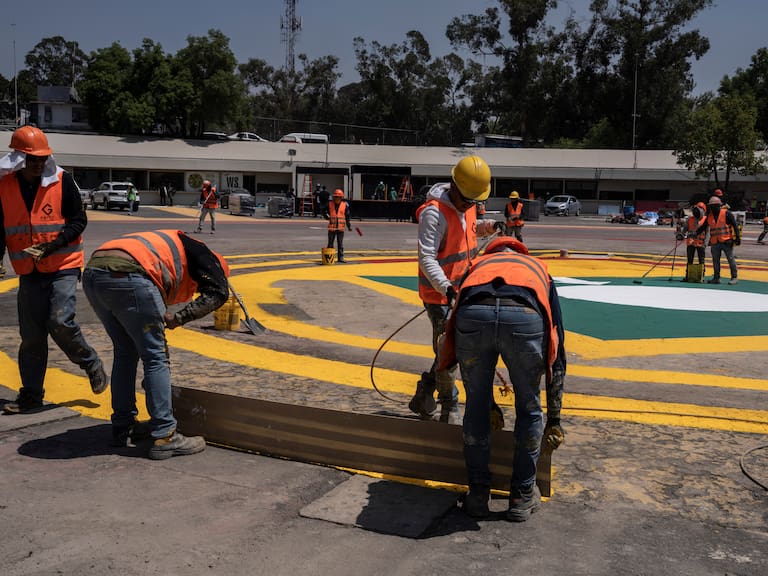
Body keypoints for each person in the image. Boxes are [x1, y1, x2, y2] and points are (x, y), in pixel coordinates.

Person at [438, 236, 566, 521]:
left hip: (473, 314)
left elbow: (453, 316)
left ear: (492, 252)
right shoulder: (536, 267)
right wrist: (555, 418)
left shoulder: (476, 264)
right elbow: (558, 348)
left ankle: (478, 495)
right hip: (524, 316)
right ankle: (521, 496)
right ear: (520, 252)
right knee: (529, 408)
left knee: (476, 406)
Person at [82, 229, 230, 457]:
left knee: (125, 352)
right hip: (130, 275)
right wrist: (180, 317)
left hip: (94, 274)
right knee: (156, 357)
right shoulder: (204, 256)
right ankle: (165, 435)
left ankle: (123, 426)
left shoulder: (177, 245)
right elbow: (218, 293)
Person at [0, 126, 108, 414]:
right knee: (32, 336)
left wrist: (55, 243)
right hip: (28, 269)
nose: (38, 164)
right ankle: (31, 396)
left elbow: (78, 220)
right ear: (17, 158)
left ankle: (90, 361)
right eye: (31, 159)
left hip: (63, 265)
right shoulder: (5, 186)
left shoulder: (62, 181)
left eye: (41, 158)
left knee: (60, 320)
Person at [410, 155, 505, 424]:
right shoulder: (433, 213)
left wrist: (491, 227)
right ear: (453, 185)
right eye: (466, 200)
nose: (469, 205)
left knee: (450, 349)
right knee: (448, 348)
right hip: (439, 295)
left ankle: (425, 392)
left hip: (463, 289)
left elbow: (471, 230)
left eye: (474, 201)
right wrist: (446, 288)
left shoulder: (469, 204)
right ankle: (448, 407)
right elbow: (426, 257)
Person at [696, 196, 740, 285]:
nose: (712, 208)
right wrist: (694, 233)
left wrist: (737, 238)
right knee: (715, 260)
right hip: (715, 242)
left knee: (730, 259)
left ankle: (734, 277)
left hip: (727, 241)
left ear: (719, 205)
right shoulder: (709, 216)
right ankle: (716, 278)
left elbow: (735, 226)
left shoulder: (727, 214)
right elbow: (703, 227)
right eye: (711, 206)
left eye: (714, 206)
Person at [682, 202, 707, 282]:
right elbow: (685, 229)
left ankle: (701, 276)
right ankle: (688, 276)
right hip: (691, 242)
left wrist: (705, 243)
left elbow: (708, 232)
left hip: (701, 243)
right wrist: (681, 234)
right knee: (689, 260)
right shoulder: (690, 219)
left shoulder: (705, 220)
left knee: (701, 260)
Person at [326, 189, 352, 263]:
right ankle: (329, 258)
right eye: (335, 197)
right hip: (332, 228)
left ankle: (340, 258)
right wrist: (326, 216)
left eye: (338, 197)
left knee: (340, 244)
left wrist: (349, 226)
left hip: (340, 228)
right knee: (330, 243)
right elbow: (323, 211)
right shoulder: (330, 204)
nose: (336, 198)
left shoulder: (344, 205)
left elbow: (347, 217)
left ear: (341, 198)